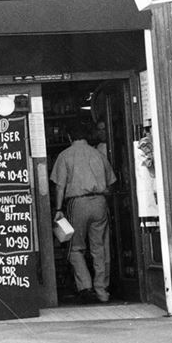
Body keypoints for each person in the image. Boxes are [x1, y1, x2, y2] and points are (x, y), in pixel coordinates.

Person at [51, 120, 117, 304]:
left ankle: (86, 287)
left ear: (70, 137)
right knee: (100, 248)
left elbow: (59, 186)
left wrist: (58, 209)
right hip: (100, 202)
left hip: (77, 202)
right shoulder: (98, 154)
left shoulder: (65, 155)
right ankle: (102, 291)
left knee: (75, 247)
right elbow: (111, 182)